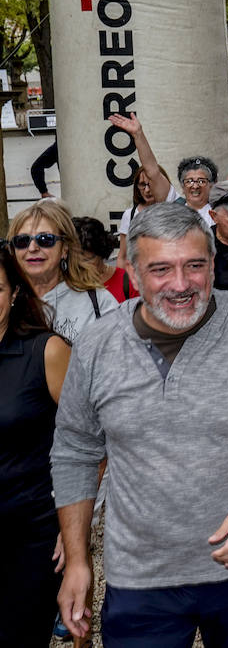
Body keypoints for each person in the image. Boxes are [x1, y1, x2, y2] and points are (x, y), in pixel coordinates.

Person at [51, 203, 228, 645]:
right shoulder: (98, 345)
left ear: (213, 265)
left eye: (195, 265)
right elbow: (76, 450)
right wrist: (78, 560)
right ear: (131, 272)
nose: (181, 284)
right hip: (141, 576)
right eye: (160, 269)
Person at [0, 245, 70, 647]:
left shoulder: (46, 351)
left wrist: (74, 521)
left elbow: (92, 434)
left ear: (13, 293)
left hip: (30, 535)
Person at [9, 201, 118, 341]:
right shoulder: (5, 301)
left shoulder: (99, 301)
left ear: (65, 248)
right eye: (22, 241)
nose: (32, 248)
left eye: (45, 239)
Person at [72, 216, 137, 302]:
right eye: (74, 260)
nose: (81, 266)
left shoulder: (127, 282)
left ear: (101, 253)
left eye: (87, 260)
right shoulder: (66, 285)